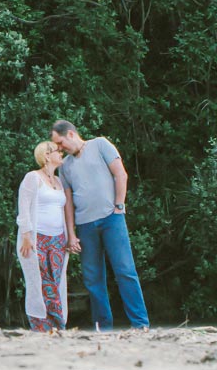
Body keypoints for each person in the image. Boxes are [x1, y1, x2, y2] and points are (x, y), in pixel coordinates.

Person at [50, 120, 150, 331]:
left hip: (111, 219)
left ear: (70, 134)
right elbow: (67, 201)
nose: (59, 148)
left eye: (60, 142)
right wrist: (71, 234)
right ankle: (103, 327)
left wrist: (119, 206)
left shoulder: (100, 144)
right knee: (93, 279)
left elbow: (120, 174)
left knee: (125, 271)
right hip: (85, 225)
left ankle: (140, 324)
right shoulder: (65, 166)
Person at [16, 141, 70, 332]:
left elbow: (63, 210)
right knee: (40, 282)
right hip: (36, 239)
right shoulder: (33, 177)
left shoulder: (58, 181)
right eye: (58, 151)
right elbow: (23, 207)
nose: (61, 153)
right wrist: (26, 235)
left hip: (58, 240)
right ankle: (42, 325)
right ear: (47, 155)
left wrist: (69, 237)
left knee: (55, 281)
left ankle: (56, 324)